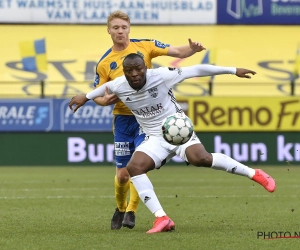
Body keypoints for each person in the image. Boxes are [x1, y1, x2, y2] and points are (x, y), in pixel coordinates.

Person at [69, 53, 276, 234]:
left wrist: (232, 70)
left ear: (145, 68)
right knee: (134, 167)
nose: (134, 74)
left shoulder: (160, 75)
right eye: (129, 70)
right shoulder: (119, 85)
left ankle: (254, 173)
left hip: (177, 129)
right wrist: (85, 97)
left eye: (138, 69)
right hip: (155, 138)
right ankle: (162, 218)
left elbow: (195, 69)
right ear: (124, 72)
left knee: (201, 158)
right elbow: (104, 87)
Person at [94, 10, 206, 230]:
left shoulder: (145, 46)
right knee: (123, 175)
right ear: (109, 31)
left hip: (149, 118)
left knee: (139, 166)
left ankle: (132, 212)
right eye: (115, 27)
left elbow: (176, 50)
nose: (120, 31)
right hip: (124, 120)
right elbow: (97, 95)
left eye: (124, 27)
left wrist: (191, 50)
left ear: (129, 28)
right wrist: (105, 101)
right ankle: (120, 207)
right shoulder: (104, 63)